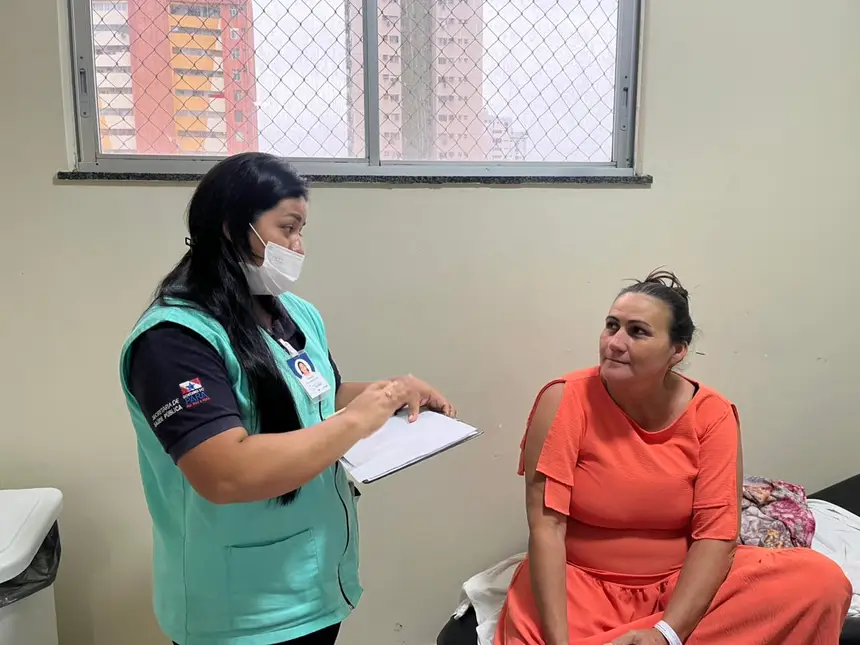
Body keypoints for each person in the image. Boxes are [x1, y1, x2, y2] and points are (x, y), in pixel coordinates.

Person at [118, 152, 455, 645]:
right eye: (287, 228)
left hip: (314, 583)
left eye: (301, 231)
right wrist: (357, 422)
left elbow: (318, 396)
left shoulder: (294, 312)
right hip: (240, 610)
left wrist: (391, 393)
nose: (299, 246)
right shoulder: (174, 340)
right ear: (232, 228)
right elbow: (224, 472)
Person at [495, 270, 850, 645]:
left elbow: (716, 536)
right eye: (612, 326)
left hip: (682, 589)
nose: (615, 343)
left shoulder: (712, 413)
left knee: (819, 582)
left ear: (677, 351)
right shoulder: (564, 400)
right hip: (578, 588)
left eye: (637, 332)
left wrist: (666, 633)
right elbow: (546, 528)